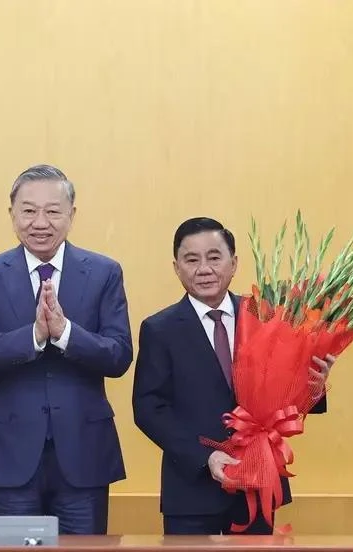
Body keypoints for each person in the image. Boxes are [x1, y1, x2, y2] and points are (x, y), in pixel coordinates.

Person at [0, 164, 133, 535]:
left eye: (53, 211)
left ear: (71, 215)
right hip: (9, 457)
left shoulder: (104, 272)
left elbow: (118, 355)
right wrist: (33, 336)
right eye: (29, 210)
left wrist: (65, 333)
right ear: (12, 214)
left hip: (83, 456)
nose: (40, 222)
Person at [131, 217, 334, 535]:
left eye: (214, 257)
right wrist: (204, 457)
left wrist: (314, 388)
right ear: (177, 267)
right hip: (191, 491)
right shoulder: (160, 329)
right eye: (192, 259)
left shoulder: (266, 316)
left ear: (234, 262)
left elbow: (287, 393)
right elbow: (148, 409)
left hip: (257, 484)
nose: (204, 268)